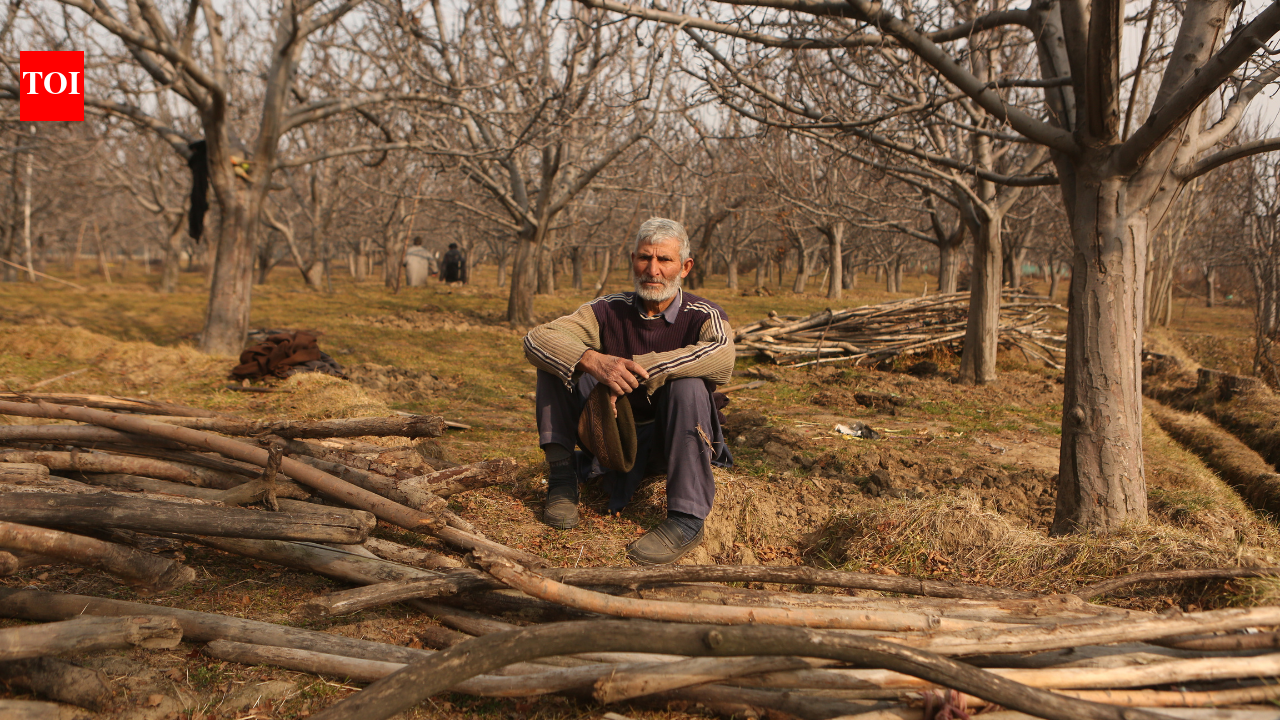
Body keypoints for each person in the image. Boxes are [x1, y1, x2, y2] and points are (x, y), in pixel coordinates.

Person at [523, 218, 734, 564]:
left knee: (689, 385)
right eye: (644, 258)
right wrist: (593, 361)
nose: (653, 269)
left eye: (664, 260)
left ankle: (687, 517)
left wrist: (637, 370)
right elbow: (536, 339)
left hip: (672, 441)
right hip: (611, 435)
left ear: (685, 267)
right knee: (557, 359)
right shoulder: (607, 309)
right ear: (632, 260)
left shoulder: (703, 314)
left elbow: (722, 358)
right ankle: (562, 479)